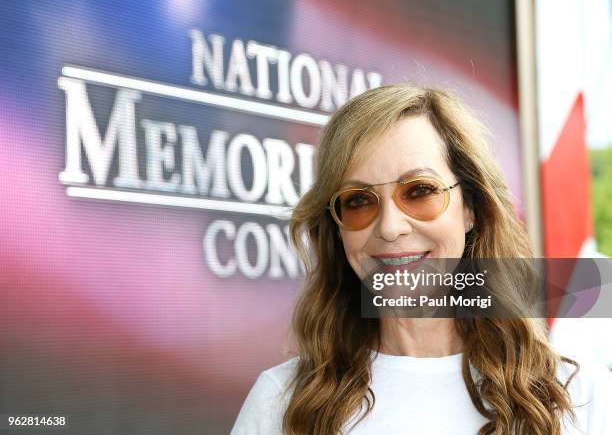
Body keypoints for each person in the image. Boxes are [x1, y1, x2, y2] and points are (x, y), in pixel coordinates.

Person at [230, 84, 612, 434]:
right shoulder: (282, 403)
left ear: (471, 208)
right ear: (337, 228)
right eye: (359, 201)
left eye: (419, 191)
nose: (390, 227)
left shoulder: (576, 394)